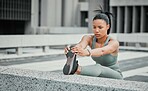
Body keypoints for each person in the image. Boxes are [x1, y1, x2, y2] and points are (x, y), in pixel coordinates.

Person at [63, 10, 123, 79]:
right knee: (97, 68)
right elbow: (81, 45)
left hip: (115, 75)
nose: (96, 30)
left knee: (98, 67)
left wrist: (87, 52)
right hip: (99, 75)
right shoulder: (89, 38)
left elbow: (102, 51)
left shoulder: (113, 42)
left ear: (107, 26)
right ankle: (72, 67)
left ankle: (76, 69)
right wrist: (73, 49)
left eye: (100, 27)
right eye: (94, 27)